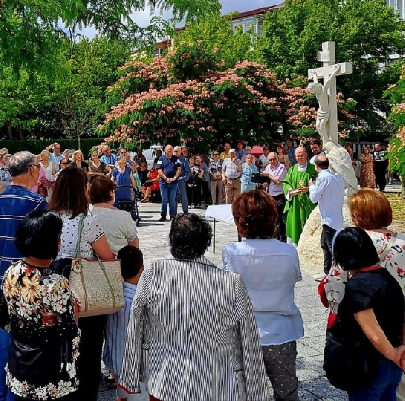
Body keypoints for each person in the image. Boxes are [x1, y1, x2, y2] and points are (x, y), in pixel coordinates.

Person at [118, 214, 268, 400]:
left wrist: (131, 377)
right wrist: (256, 392)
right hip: (217, 384)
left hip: (166, 382)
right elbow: (249, 340)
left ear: (172, 242)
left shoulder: (153, 273)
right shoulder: (231, 283)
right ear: (206, 245)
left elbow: (136, 326)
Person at [223, 190, 304, 401]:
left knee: (246, 393)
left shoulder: (232, 252)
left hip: (244, 334)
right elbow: (293, 279)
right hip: (282, 332)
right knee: (286, 392)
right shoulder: (288, 251)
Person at [0, 210, 80, 400]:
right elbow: (68, 331)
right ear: (51, 242)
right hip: (47, 364)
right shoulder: (56, 283)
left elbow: (4, 317)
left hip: (19, 358)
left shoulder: (12, 271)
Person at [49, 167, 115, 401]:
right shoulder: (87, 222)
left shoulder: (48, 218)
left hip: (53, 292)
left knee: (55, 346)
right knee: (88, 349)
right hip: (83, 293)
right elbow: (107, 256)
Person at [0, 151, 48, 401]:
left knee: (3, 345)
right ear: (32, 170)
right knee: (25, 346)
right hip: (28, 281)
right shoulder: (36, 203)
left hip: (4, 278)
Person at [330, 228, 405, 400]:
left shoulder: (357, 285)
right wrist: (401, 352)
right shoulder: (386, 276)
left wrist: (394, 356)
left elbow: (374, 334)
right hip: (392, 363)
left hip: (369, 366)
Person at [103, 246, 145, 401]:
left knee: (122, 394)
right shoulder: (141, 302)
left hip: (114, 360)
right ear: (142, 269)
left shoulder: (110, 297)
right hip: (135, 367)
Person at [309, 156, 344, 281]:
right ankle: (327, 271)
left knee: (331, 247)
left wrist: (311, 186)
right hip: (335, 217)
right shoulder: (336, 177)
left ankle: (336, 273)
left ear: (317, 166)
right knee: (325, 244)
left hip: (329, 218)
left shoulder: (323, 178)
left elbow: (314, 197)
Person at [90, 175, 139, 254]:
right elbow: (134, 243)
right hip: (119, 262)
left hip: (93, 263)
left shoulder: (87, 216)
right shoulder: (123, 216)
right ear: (111, 193)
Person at [283, 147, 317, 245]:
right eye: (298, 156)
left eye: (302, 155)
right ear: (295, 157)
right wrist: (291, 191)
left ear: (306, 155)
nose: (300, 157)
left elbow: (319, 182)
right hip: (295, 204)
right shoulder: (292, 170)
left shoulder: (313, 169)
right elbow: (285, 183)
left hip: (309, 204)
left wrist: (309, 189)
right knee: (295, 225)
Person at [262, 152, 288, 242]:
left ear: (277, 159)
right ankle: (273, 237)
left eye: (274, 159)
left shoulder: (282, 167)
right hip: (270, 195)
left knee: (279, 218)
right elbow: (267, 181)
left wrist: (268, 175)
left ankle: (282, 239)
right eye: (270, 160)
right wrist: (265, 182)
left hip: (279, 195)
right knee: (271, 218)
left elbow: (278, 181)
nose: (272, 161)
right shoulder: (268, 167)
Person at [156, 145, 181, 222]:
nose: (170, 151)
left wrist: (174, 177)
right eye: (168, 149)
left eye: (171, 149)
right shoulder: (161, 159)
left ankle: (172, 215)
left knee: (172, 199)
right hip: (164, 183)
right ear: (165, 150)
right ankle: (163, 215)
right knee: (164, 199)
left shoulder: (176, 159)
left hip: (174, 183)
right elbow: (159, 170)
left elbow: (179, 169)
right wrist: (165, 178)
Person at [174, 146, 189, 214]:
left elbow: (188, 172)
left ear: (180, 152)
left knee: (183, 197)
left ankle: (185, 212)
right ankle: (173, 213)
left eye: (176, 151)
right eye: (174, 151)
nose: (175, 153)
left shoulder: (184, 160)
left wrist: (183, 179)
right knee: (173, 197)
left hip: (180, 181)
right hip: (173, 181)